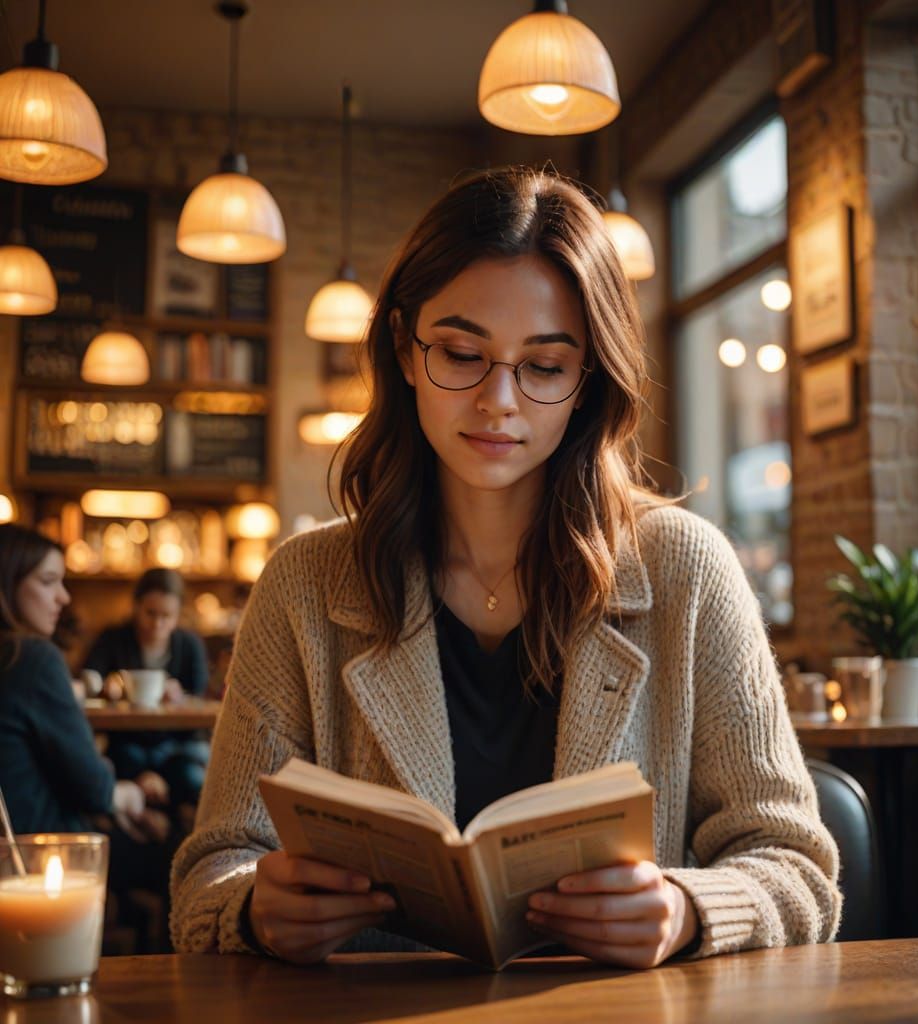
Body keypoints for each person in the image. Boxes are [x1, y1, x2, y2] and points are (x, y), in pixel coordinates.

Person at [171, 166, 841, 968]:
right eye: (462, 352)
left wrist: (687, 910)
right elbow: (210, 871)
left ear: (589, 381)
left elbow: (798, 868)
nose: (500, 401)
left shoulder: (686, 571)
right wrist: (252, 907)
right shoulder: (306, 584)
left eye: (545, 366)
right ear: (404, 349)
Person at [0, 523, 169, 851]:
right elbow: (93, 788)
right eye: (48, 582)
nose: (63, 597)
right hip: (42, 849)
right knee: (173, 847)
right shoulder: (31, 658)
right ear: (6, 585)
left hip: (16, 843)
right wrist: (128, 794)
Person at [83, 568, 210, 809]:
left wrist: (179, 696)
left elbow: (200, 696)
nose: (157, 623)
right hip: (129, 743)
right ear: (136, 607)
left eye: (167, 615)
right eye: (150, 613)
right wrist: (106, 688)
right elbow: (89, 680)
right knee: (122, 761)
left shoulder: (189, 644)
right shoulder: (113, 639)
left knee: (193, 776)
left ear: (178, 614)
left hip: (178, 744)